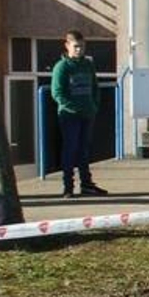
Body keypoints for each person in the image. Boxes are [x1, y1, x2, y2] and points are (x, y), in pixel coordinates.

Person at [49, 31, 108, 198]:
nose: (79, 50)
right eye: (76, 47)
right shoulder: (62, 67)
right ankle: (68, 186)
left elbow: (95, 87)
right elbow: (57, 93)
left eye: (82, 46)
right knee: (70, 149)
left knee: (84, 150)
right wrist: (73, 107)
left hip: (87, 114)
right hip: (69, 116)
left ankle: (87, 184)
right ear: (67, 46)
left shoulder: (88, 64)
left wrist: (93, 105)